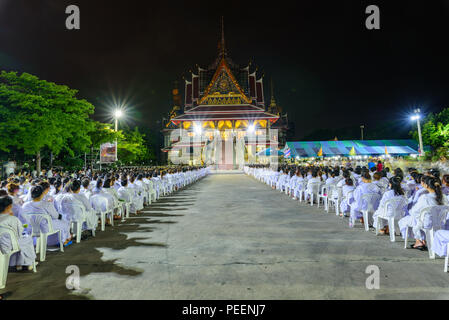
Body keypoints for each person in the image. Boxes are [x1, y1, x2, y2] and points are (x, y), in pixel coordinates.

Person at [398, 176, 448, 250]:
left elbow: (415, 211)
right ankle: (422, 240)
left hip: (426, 223)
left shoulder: (425, 197)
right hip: (440, 223)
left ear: (426, 185)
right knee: (418, 218)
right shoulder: (443, 197)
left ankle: (419, 240)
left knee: (405, 220)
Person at [0, 195, 37, 271]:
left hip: (3, 244)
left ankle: (17, 263)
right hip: (8, 245)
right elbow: (20, 231)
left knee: (21, 242)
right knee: (27, 240)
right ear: (9, 207)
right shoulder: (13, 219)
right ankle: (28, 263)